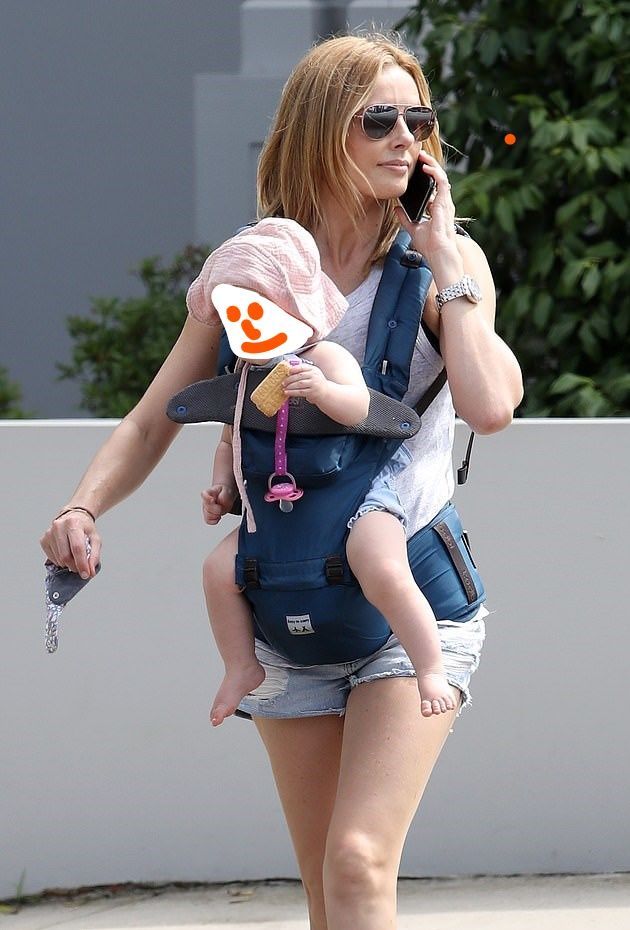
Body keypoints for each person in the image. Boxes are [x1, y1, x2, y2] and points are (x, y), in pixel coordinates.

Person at [40, 32, 523, 930]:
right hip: (288, 599)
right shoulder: (254, 272)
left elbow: (491, 406)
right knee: (325, 893)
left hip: (410, 603)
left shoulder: (440, 267)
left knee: (358, 862)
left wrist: (448, 260)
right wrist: (82, 505)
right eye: (378, 119)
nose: (407, 137)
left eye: (419, 119)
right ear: (318, 129)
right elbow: (153, 417)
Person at [194, 217, 456, 726]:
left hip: (357, 492)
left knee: (381, 563)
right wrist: (223, 486)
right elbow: (230, 438)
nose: (247, 324)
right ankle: (241, 665)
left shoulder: (326, 355)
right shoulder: (246, 375)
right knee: (216, 571)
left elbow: (361, 409)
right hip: (280, 507)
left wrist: (322, 391)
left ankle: (429, 666)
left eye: (258, 309)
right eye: (236, 314)